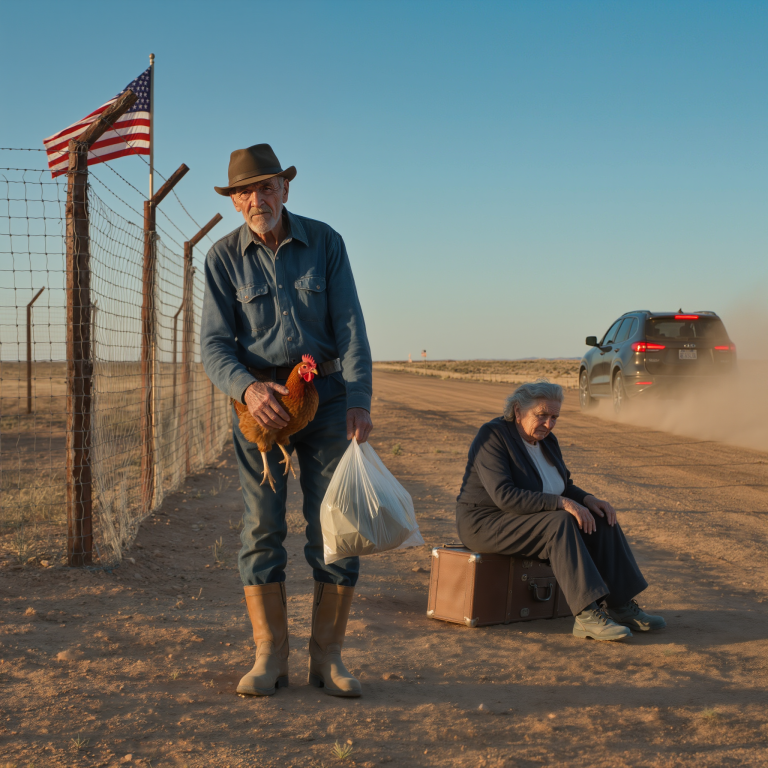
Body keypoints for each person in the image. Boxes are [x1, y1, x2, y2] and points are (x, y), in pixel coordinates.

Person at [201, 144, 373, 697]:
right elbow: (212, 346)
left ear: (285, 189)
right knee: (262, 525)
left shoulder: (325, 243)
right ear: (234, 202)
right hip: (260, 409)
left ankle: (328, 658)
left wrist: (359, 399)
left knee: (335, 526)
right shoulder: (222, 258)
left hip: (321, 395)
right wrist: (249, 389)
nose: (257, 199)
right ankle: (269, 656)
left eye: (266, 187)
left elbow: (350, 326)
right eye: (245, 192)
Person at [456, 379, 665, 641]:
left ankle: (621, 606)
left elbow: (561, 487)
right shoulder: (493, 436)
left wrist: (588, 500)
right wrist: (562, 503)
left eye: (554, 417)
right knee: (560, 522)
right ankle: (587, 616)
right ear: (518, 410)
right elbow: (505, 496)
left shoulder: (547, 441)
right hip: (486, 523)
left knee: (601, 518)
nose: (549, 423)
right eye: (541, 415)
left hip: (526, 518)